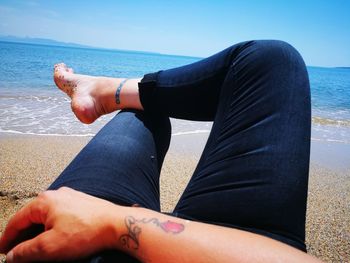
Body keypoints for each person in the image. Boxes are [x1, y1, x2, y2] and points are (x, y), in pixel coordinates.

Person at [0, 40, 321, 262]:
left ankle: (104, 91)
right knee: (273, 60)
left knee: (143, 118)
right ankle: (106, 91)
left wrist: (112, 222)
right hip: (247, 245)